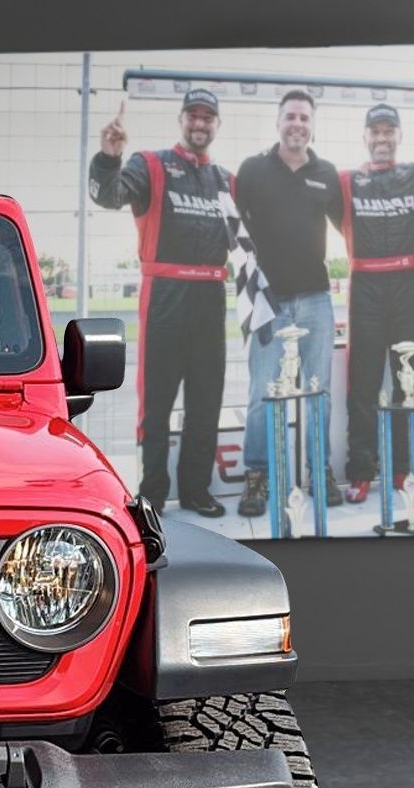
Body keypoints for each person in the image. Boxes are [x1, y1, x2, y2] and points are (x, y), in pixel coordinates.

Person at [89, 88, 231, 518]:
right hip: (165, 296)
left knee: (207, 402)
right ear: (182, 120)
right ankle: (151, 493)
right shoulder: (150, 164)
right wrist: (109, 157)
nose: (200, 123)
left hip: (212, 298)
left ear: (216, 125)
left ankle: (196, 489)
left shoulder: (227, 179)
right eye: (193, 115)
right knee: (158, 404)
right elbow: (108, 195)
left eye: (208, 117)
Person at [234, 90, 345, 518]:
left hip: (316, 297)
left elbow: (351, 228)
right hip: (268, 300)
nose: (297, 124)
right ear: (278, 122)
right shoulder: (253, 170)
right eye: (290, 117)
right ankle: (258, 474)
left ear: (312, 125)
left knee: (318, 392)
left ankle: (320, 471)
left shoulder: (327, 174)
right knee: (263, 393)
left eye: (304, 118)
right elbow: (230, 228)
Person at [336, 104, 414, 503]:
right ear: (364, 137)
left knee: (407, 384)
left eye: (389, 130)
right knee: (362, 383)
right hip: (365, 286)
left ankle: (402, 468)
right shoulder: (345, 180)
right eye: (374, 131)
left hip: (411, 284)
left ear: (398, 136)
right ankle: (361, 471)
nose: (381, 138)